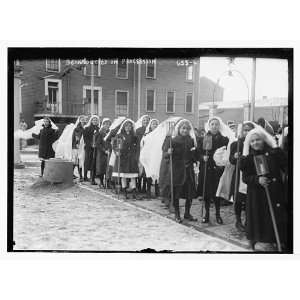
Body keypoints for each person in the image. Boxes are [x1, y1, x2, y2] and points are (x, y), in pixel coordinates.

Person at [240, 127, 288, 251]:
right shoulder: (249, 158)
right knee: (262, 217)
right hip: (258, 195)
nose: (255, 143)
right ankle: (263, 240)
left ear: (264, 139)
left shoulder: (274, 153)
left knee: (276, 216)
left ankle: (278, 239)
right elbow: (245, 178)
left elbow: (285, 166)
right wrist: (257, 180)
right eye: (252, 141)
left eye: (258, 140)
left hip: (275, 192)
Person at [159, 119, 198, 223]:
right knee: (177, 193)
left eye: (186, 128)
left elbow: (193, 155)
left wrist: (195, 157)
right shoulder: (173, 140)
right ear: (179, 129)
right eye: (183, 128)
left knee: (190, 193)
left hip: (188, 169)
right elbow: (165, 157)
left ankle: (187, 213)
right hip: (177, 170)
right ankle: (177, 214)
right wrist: (169, 153)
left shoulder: (191, 140)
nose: (185, 130)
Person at [197, 116, 230, 224]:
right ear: (209, 126)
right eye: (212, 124)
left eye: (216, 124)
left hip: (217, 169)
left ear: (219, 126)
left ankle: (217, 214)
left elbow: (226, 153)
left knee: (217, 193)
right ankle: (206, 214)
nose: (214, 126)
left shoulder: (224, 139)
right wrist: (202, 157)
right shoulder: (203, 139)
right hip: (206, 168)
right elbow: (197, 153)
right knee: (206, 193)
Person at [229, 121, 257, 231]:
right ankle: (238, 220)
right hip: (239, 175)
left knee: (249, 198)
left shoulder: (255, 142)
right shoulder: (236, 144)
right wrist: (234, 157)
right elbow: (231, 160)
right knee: (239, 199)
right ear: (242, 132)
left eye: (249, 130)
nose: (247, 132)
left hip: (252, 174)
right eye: (245, 130)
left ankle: (248, 221)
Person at [112, 119, 139, 199]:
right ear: (124, 127)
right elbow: (115, 145)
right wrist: (117, 151)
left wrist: (136, 156)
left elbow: (137, 147)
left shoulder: (134, 136)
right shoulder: (120, 135)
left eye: (130, 126)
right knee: (123, 174)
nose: (128, 128)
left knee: (132, 175)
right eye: (126, 126)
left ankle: (134, 191)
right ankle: (124, 191)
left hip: (131, 157)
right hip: (123, 157)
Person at [140, 118, 160, 198]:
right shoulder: (146, 134)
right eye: (153, 124)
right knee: (148, 173)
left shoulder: (160, 134)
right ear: (150, 125)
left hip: (157, 156)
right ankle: (148, 190)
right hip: (149, 156)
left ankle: (157, 190)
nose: (154, 125)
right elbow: (143, 144)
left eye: (156, 124)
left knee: (156, 173)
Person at [135, 115, 151, 193]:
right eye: (144, 120)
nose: (146, 122)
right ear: (142, 121)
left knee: (146, 169)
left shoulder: (151, 130)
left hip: (148, 152)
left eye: (147, 120)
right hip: (140, 151)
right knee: (140, 168)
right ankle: (138, 185)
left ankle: (145, 186)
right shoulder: (138, 130)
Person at [83, 115, 100, 184]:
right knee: (87, 161)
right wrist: (90, 144)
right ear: (91, 121)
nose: (95, 121)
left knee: (94, 162)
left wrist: (96, 144)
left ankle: (92, 178)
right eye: (93, 120)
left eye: (96, 120)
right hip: (88, 148)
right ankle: (85, 176)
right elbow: (85, 138)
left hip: (96, 148)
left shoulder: (99, 129)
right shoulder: (87, 128)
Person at [95, 118, 112, 188]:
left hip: (109, 152)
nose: (107, 125)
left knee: (108, 168)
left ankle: (108, 183)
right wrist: (104, 150)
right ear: (103, 124)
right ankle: (101, 182)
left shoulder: (110, 132)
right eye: (106, 124)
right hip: (102, 153)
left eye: (108, 124)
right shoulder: (100, 132)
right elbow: (98, 144)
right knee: (102, 168)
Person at [72, 115, 86, 181]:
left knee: (80, 161)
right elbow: (76, 137)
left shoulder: (86, 127)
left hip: (83, 146)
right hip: (77, 146)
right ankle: (79, 176)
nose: (83, 120)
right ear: (79, 120)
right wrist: (77, 144)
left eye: (84, 119)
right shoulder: (77, 128)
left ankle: (80, 176)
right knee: (76, 161)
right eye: (81, 119)